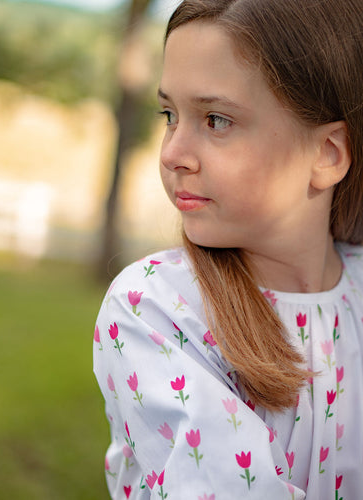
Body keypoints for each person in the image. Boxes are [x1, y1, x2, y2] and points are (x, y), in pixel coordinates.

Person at [93, 0, 363, 498]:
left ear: (326, 154)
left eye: (216, 120)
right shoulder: (156, 308)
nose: (172, 154)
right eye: (169, 114)